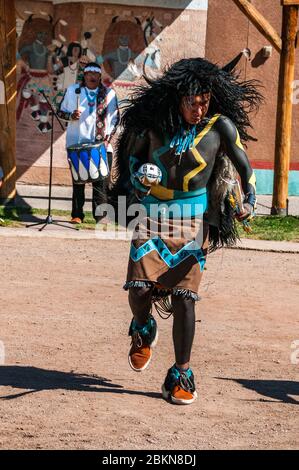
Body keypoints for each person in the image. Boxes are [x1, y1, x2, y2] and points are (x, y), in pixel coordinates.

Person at [110, 57, 262, 405]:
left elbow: (244, 166)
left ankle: (181, 373)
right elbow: (131, 161)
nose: (198, 108)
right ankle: (143, 326)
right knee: (137, 288)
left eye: (204, 100)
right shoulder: (152, 126)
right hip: (151, 217)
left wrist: (249, 200)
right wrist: (139, 178)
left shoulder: (220, 127)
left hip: (194, 221)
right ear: (177, 98)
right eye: (192, 101)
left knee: (184, 298)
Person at [58, 62, 119, 224]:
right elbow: (60, 111)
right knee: (79, 181)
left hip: (102, 145)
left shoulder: (109, 94)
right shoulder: (73, 91)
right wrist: (71, 116)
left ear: (100, 76)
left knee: (101, 184)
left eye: (95, 74)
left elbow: (115, 118)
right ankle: (77, 215)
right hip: (77, 144)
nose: (92, 77)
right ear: (84, 76)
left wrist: (106, 139)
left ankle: (101, 217)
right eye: (88, 74)